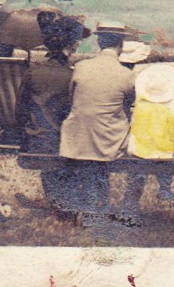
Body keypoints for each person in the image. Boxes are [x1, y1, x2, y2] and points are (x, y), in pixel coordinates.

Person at [58, 21, 136, 224]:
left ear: (100, 42)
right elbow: (129, 106)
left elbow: (71, 99)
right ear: (121, 45)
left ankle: (88, 207)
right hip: (109, 138)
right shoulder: (127, 75)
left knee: (88, 170)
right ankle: (96, 209)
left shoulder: (81, 67)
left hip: (78, 134)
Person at [16, 27, 80, 215]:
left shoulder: (33, 72)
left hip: (35, 142)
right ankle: (63, 203)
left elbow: (20, 109)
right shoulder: (71, 77)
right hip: (63, 148)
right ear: (70, 47)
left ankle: (56, 200)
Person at [121, 63, 174, 214]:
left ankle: (130, 199)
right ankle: (164, 188)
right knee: (164, 155)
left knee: (138, 169)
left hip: (139, 151)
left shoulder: (140, 105)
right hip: (164, 152)